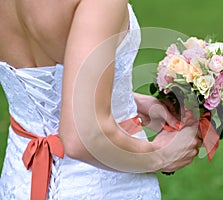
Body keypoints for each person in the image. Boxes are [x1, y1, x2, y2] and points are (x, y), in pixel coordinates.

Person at [0, 0, 202, 199]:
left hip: (19, 181)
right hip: (103, 187)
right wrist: (162, 156)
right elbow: (83, 137)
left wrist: (119, 99)